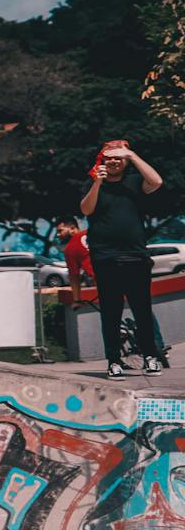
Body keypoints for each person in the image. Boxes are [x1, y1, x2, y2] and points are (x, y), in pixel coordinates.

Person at [79, 139, 168, 377]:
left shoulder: (135, 182)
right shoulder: (93, 184)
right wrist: (97, 181)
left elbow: (157, 181)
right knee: (111, 311)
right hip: (105, 257)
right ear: (102, 161)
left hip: (136, 256)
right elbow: (86, 210)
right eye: (109, 157)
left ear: (125, 160)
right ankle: (114, 361)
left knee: (142, 309)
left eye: (119, 157)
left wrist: (132, 154)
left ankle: (151, 356)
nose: (114, 161)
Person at [56, 219, 93, 301]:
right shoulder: (93, 232)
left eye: (60, 231)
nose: (58, 235)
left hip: (104, 282)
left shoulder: (69, 249)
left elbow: (74, 276)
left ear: (72, 228)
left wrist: (77, 300)